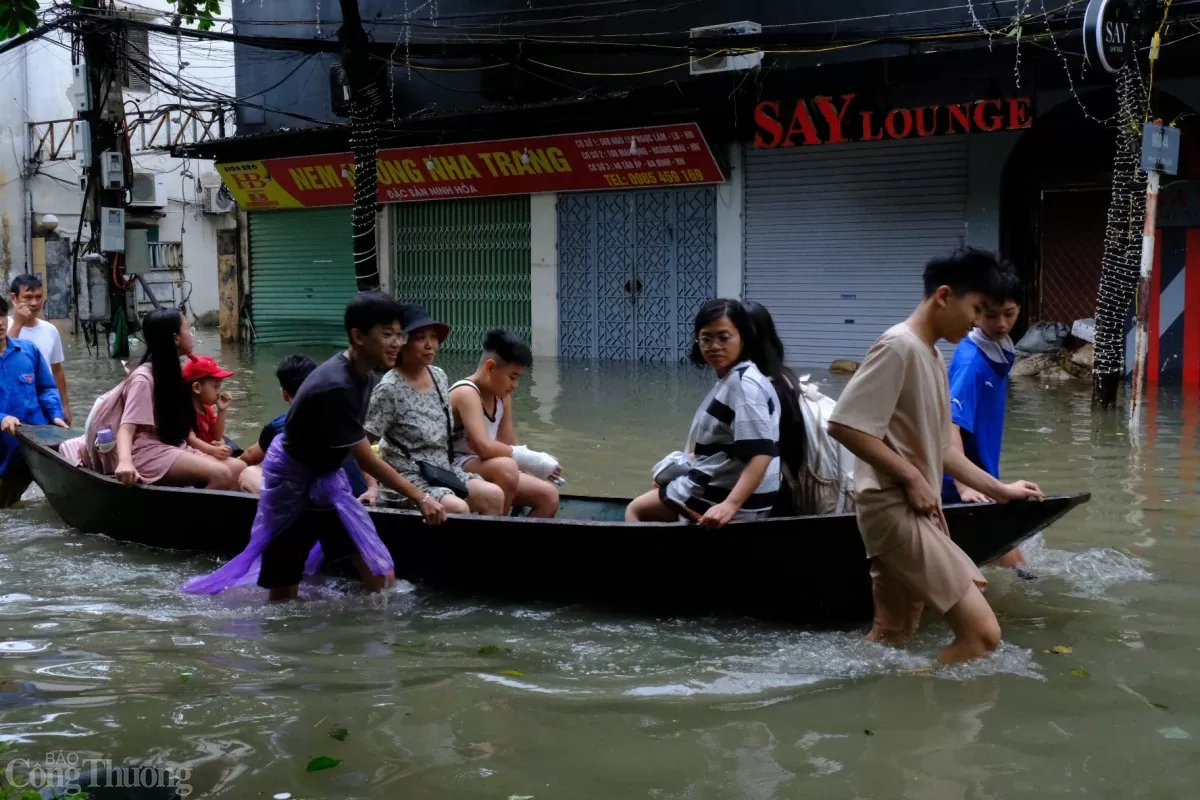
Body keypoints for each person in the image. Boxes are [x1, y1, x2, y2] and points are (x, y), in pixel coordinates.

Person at [826, 248, 1045, 665]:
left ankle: (871, 706)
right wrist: (910, 477)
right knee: (982, 635)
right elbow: (844, 424)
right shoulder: (899, 346)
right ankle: (921, 703)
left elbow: (943, 448)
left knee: (892, 634)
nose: (979, 321)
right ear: (944, 296)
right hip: (895, 509)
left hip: (911, 510)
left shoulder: (930, 354)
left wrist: (999, 490)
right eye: (977, 308)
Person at [181, 292, 449, 603]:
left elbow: (359, 446)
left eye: (399, 334)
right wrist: (420, 497)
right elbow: (366, 455)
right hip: (292, 485)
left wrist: (377, 487)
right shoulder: (336, 385)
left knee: (382, 575)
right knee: (283, 594)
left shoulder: (365, 375)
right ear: (358, 336)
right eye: (387, 334)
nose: (397, 343)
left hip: (328, 478)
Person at [625, 298, 784, 528]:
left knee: (636, 510)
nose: (714, 346)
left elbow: (760, 454)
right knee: (663, 488)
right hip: (736, 491)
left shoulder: (743, 384)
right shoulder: (737, 377)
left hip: (728, 496)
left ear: (743, 337)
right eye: (706, 338)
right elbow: (728, 448)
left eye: (724, 337)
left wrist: (730, 504)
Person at [365, 304, 505, 516]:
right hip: (407, 478)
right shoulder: (389, 389)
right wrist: (372, 485)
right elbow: (362, 446)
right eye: (420, 338)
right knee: (457, 508)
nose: (430, 345)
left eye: (433, 337)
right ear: (401, 343)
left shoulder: (438, 375)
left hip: (442, 470)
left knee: (494, 495)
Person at [83, 307, 243, 490]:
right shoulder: (143, 379)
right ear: (175, 338)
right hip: (143, 451)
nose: (192, 334)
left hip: (168, 444)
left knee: (239, 468)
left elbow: (183, 431)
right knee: (221, 474)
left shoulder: (171, 374)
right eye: (188, 329)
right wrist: (125, 462)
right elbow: (126, 429)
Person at [940, 268, 1027, 570]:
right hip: (958, 494)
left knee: (1012, 567)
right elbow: (948, 424)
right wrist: (964, 485)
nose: (1002, 323)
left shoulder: (997, 352)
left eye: (1009, 313)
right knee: (1015, 570)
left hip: (980, 485)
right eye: (991, 315)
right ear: (975, 314)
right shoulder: (972, 362)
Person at [448, 329, 560, 518]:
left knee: (549, 495)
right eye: (512, 376)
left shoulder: (502, 397)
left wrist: (536, 467)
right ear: (490, 367)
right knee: (506, 468)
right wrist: (532, 458)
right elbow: (483, 447)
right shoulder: (466, 393)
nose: (515, 385)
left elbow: (507, 442)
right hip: (454, 466)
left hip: (485, 464)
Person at [238, 354, 377, 504]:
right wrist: (373, 485)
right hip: (357, 499)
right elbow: (366, 459)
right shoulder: (343, 417)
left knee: (247, 473)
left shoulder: (281, 425)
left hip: (318, 507)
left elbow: (249, 457)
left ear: (285, 394)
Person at [0, 295, 68, 505]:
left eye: (2, 315)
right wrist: (2, 417)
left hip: (36, 442)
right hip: (3, 447)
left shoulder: (28, 351)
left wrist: (55, 415)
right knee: (6, 503)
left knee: (62, 495)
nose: (0, 323)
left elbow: (46, 388)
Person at [9, 275, 71, 426]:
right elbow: (4, 358)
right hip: (12, 402)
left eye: (38, 297)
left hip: (46, 403)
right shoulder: (5, 325)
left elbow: (57, 370)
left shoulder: (50, 330)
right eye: (28, 297)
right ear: (14, 298)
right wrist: (18, 324)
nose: (34, 303)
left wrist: (64, 406)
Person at [182, 354, 237, 463]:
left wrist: (222, 410)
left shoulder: (206, 408)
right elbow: (191, 440)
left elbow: (217, 435)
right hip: (198, 456)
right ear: (197, 388)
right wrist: (213, 450)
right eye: (215, 386)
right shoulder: (185, 411)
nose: (218, 392)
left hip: (209, 449)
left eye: (219, 387)